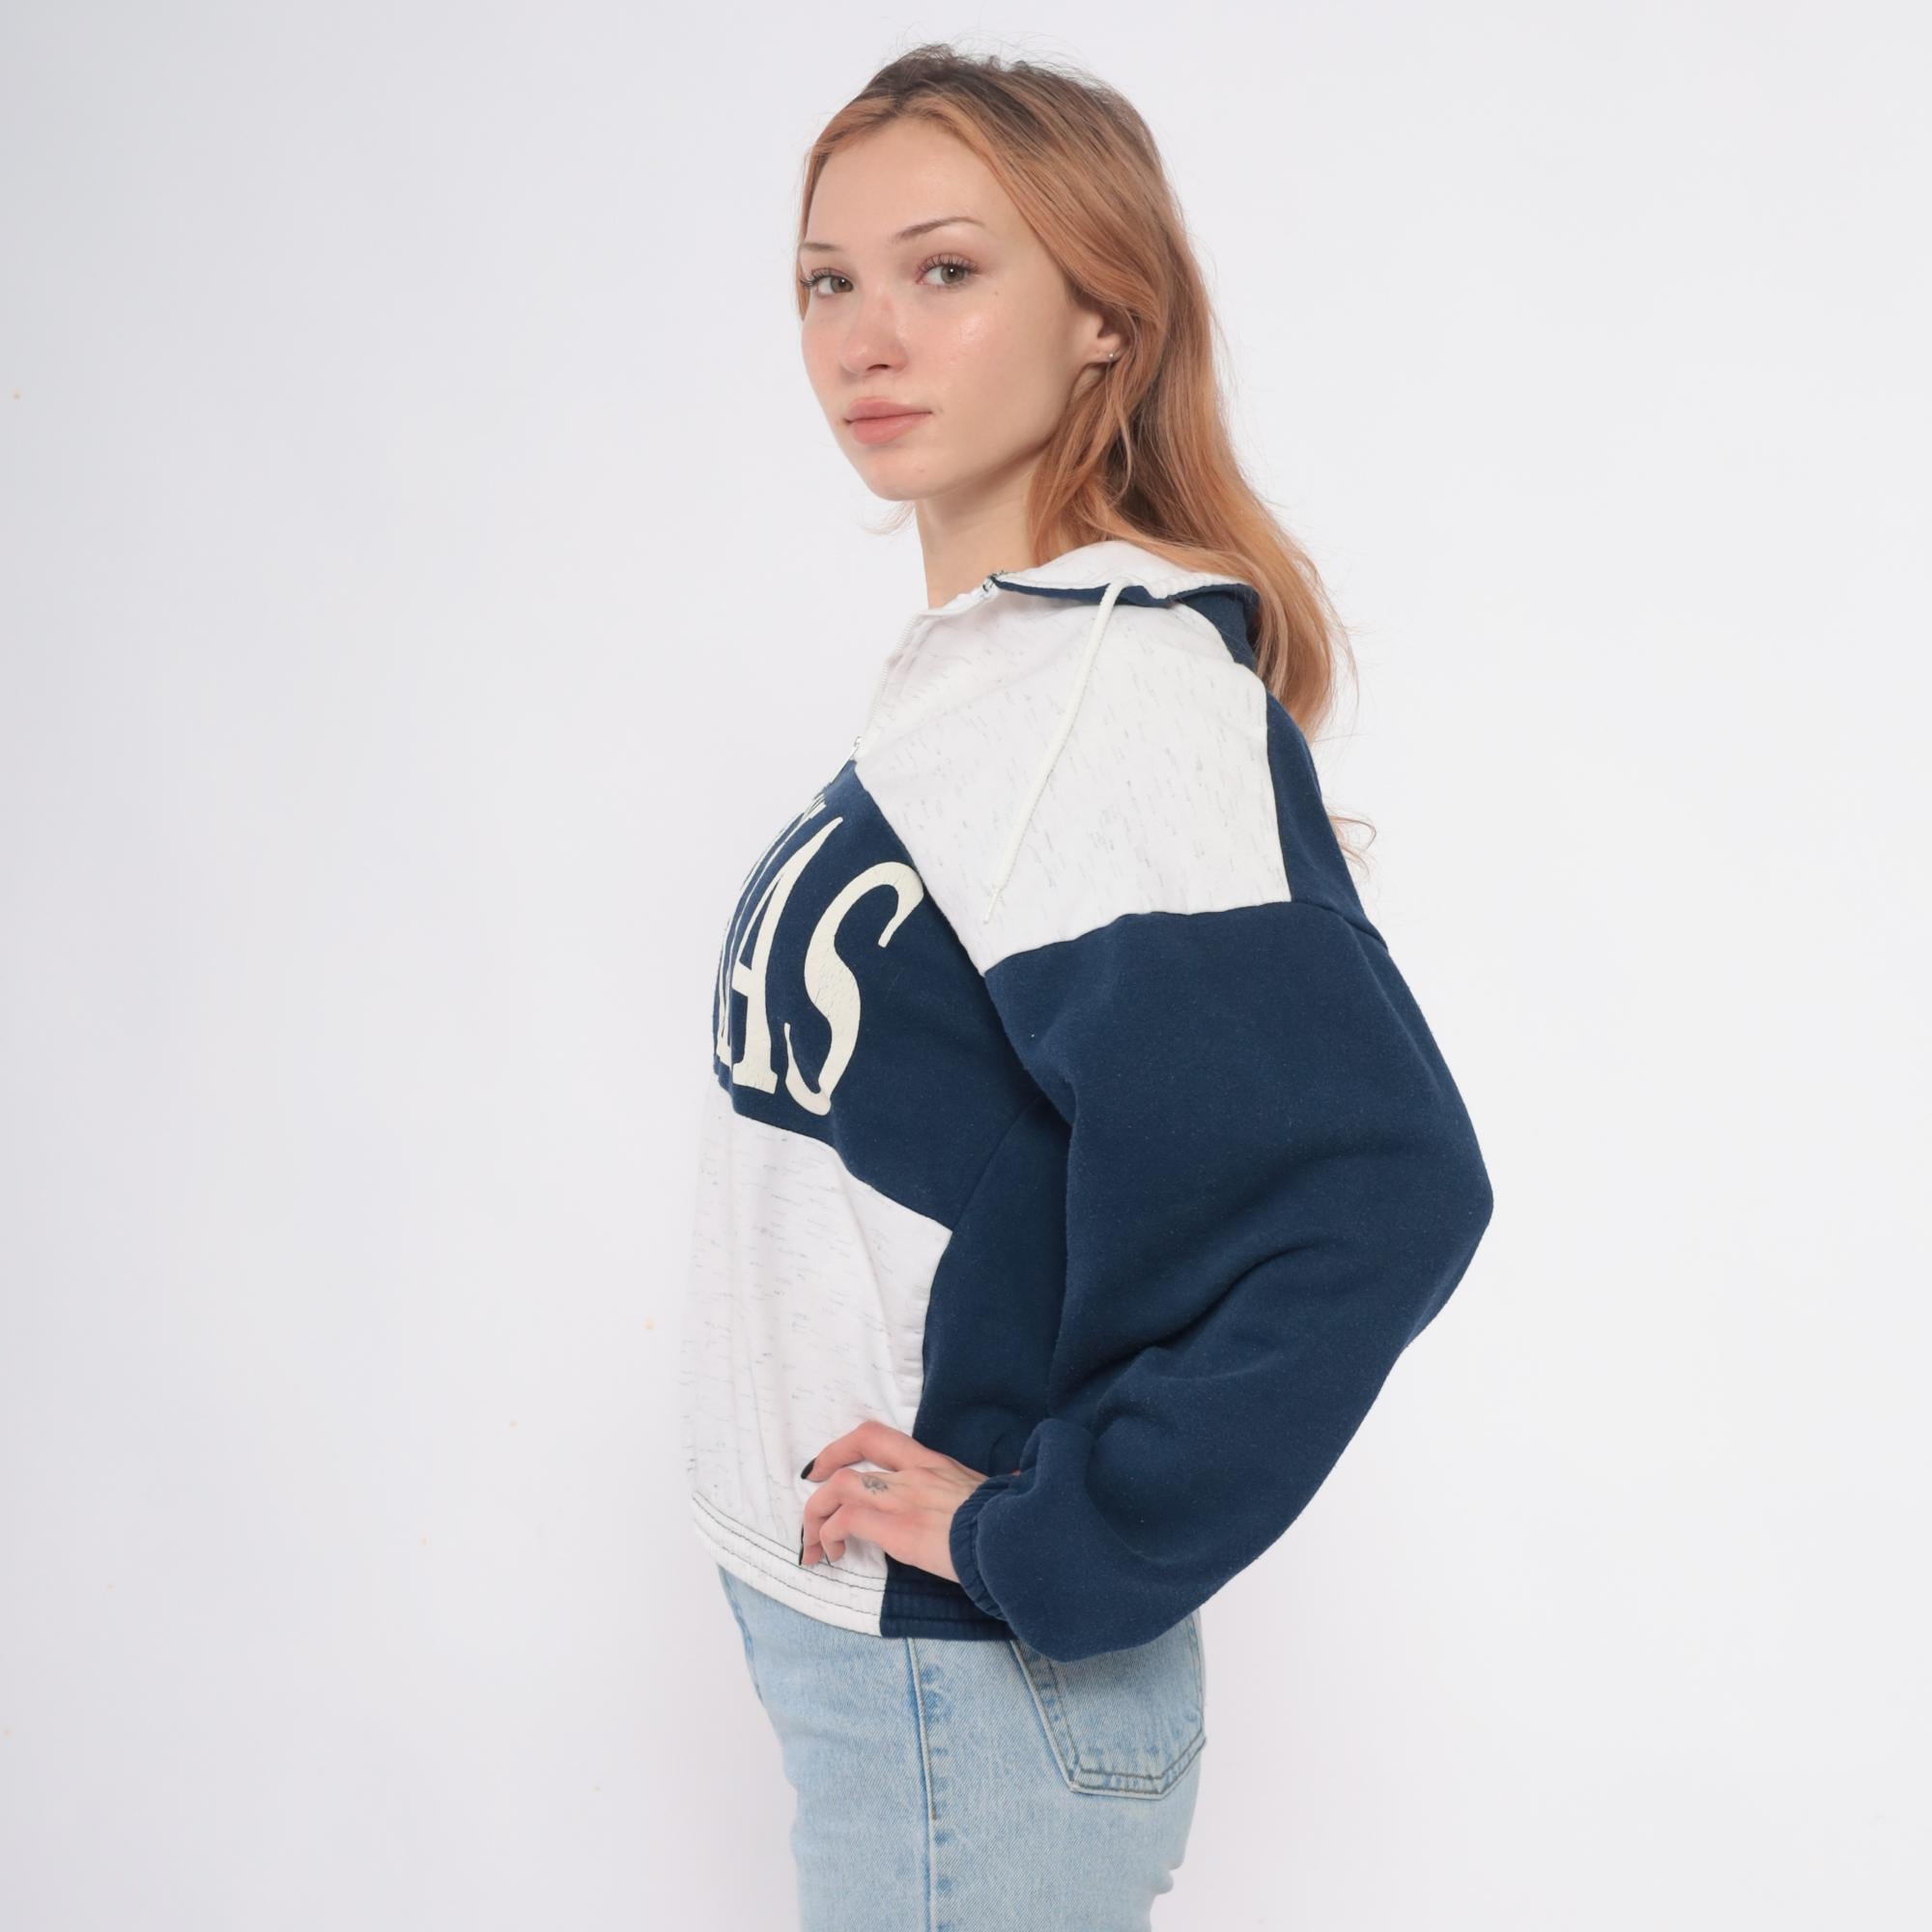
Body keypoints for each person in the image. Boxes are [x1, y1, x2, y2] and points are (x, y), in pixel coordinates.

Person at [676, 42, 1494, 1930]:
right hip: (871, 1661)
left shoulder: (1111, 694)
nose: (868, 335)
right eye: (827, 278)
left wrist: (1048, 1531)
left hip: (965, 1684)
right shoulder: (983, 680)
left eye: (946, 270)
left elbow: (1382, 1192)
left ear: (1104, 318)